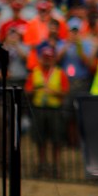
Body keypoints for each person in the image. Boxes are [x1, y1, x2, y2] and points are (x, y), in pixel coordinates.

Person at [26, 43, 70, 177]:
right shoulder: (35, 72)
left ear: (53, 58)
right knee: (40, 140)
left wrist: (53, 92)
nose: (47, 59)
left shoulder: (59, 72)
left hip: (54, 109)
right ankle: (41, 165)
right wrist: (36, 89)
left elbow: (65, 91)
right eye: (45, 57)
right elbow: (27, 91)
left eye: (49, 57)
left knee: (56, 140)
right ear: (40, 58)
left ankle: (56, 167)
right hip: (39, 108)